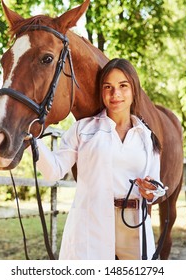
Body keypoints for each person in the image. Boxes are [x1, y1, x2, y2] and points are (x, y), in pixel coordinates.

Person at [34, 58, 165, 260]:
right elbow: (54, 170)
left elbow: (156, 188)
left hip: (134, 227)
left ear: (134, 90)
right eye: (108, 87)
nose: (116, 94)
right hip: (91, 225)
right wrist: (32, 142)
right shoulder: (83, 130)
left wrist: (151, 191)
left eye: (123, 86)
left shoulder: (147, 137)